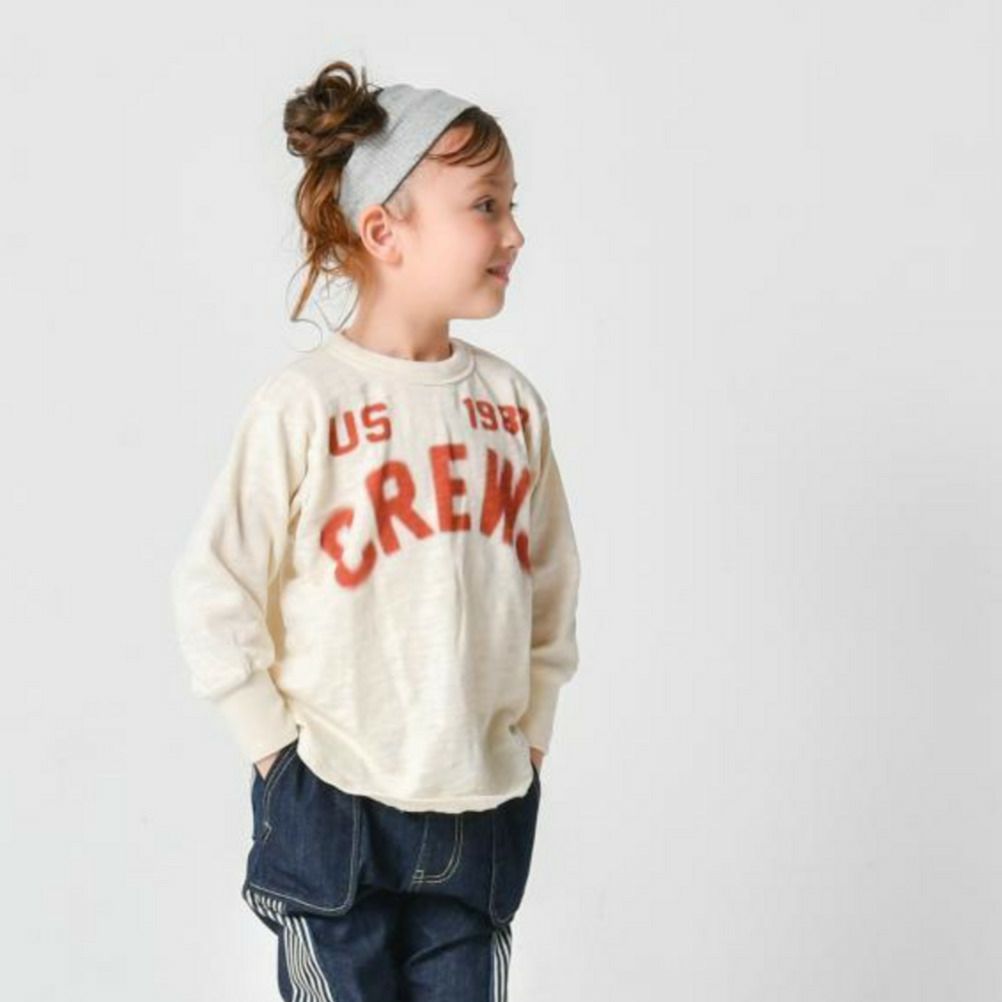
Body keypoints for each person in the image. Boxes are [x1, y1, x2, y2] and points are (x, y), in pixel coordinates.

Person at [169, 59, 581, 1002]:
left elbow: (551, 585)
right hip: (333, 796)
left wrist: (533, 734)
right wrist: (273, 753)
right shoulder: (305, 403)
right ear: (385, 230)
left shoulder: (512, 406)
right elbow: (215, 587)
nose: (514, 232)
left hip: (481, 802)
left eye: (512, 205)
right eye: (486, 206)